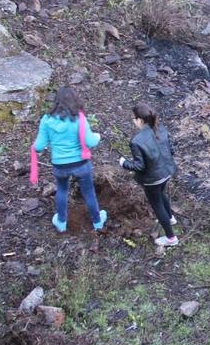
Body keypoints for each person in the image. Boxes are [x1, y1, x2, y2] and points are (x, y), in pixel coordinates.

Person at [31, 87, 107, 233]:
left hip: (60, 165)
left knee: (62, 190)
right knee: (89, 192)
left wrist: (33, 147)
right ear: (75, 100)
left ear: (56, 101)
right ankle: (98, 223)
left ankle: (61, 222)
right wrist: (97, 136)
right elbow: (90, 142)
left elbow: (39, 146)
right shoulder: (79, 118)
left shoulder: (47, 120)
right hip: (81, 164)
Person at [119, 102, 179, 247]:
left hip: (153, 179)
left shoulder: (136, 141)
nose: (134, 122)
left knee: (157, 205)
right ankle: (170, 217)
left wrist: (123, 163)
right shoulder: (161, 129)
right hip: (167, 171)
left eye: (134, 119)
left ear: (140, 119)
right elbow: (172, 150)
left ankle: (171, 238)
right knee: (161, 194)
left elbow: (139, 166)